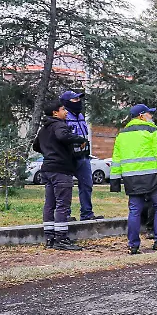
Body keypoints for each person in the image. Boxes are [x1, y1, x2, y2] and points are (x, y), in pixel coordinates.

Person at [110, 104, 157, 254]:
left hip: (131, 179)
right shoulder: (153, 131)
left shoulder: (122, 135)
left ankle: (133, 245)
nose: (151, 117)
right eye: (149, 114)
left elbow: (116, 159)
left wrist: (114, 182)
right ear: (141, 116)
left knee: (134, 210)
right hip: (153, 178)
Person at [32, 99, 87, 251]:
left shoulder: (44, 128)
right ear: (55, 112)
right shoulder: (59, 125)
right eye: (63, 109)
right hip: (60, 170)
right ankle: (61, 238)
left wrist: (49, 151)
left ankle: (49, 237)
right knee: (63, 204)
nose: (66, 112)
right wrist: (80, 140)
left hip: (48, 169)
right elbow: (63, 136)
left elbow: (36, 145)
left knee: (50, 204)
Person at [59, 90, 98, 221]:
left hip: (83, 156)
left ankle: (87, 213)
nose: (78, 102)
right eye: (75, 99)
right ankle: (66, 214)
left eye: (79, 99)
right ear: (66, 102)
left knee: (87, 184)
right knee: (66, 186)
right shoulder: (63, 117)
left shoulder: (81, 116)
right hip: (69, 158)